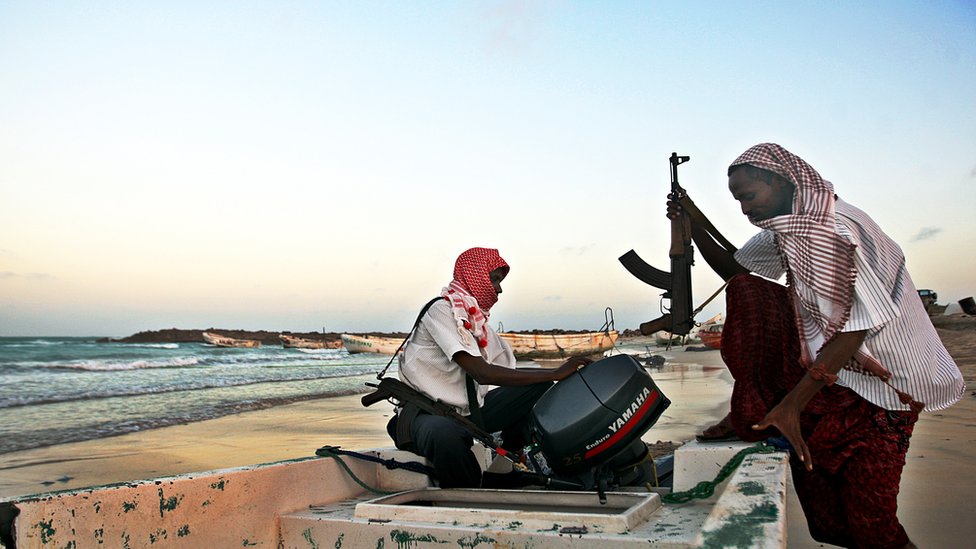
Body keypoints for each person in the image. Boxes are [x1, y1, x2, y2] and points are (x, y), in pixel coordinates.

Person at [671, 143, 964, 549]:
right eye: (737, 201)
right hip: (843, 374)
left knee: (873, 529)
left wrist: (793, 404)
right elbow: (740, 270)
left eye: (749, 197)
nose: (744, 210)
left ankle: (770, 408)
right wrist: (692, 224)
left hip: (889, 386)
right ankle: (753, 409)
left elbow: (857, 328)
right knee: (828, 525)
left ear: (779, 180)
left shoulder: (829, 231)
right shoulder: (794, 222)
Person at [387, 247, 592, 489]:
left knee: (538, 386)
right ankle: (471, 495)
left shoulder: (476, 320)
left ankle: (511, 456)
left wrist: (555, 373)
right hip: (425, 416)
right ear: (474, 275)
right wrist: (556, 372)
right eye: (494, 280)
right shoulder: (441, 310)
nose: (499, 289)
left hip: (466, 414)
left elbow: (508, 371)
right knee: (445, 435)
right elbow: (482, 373)